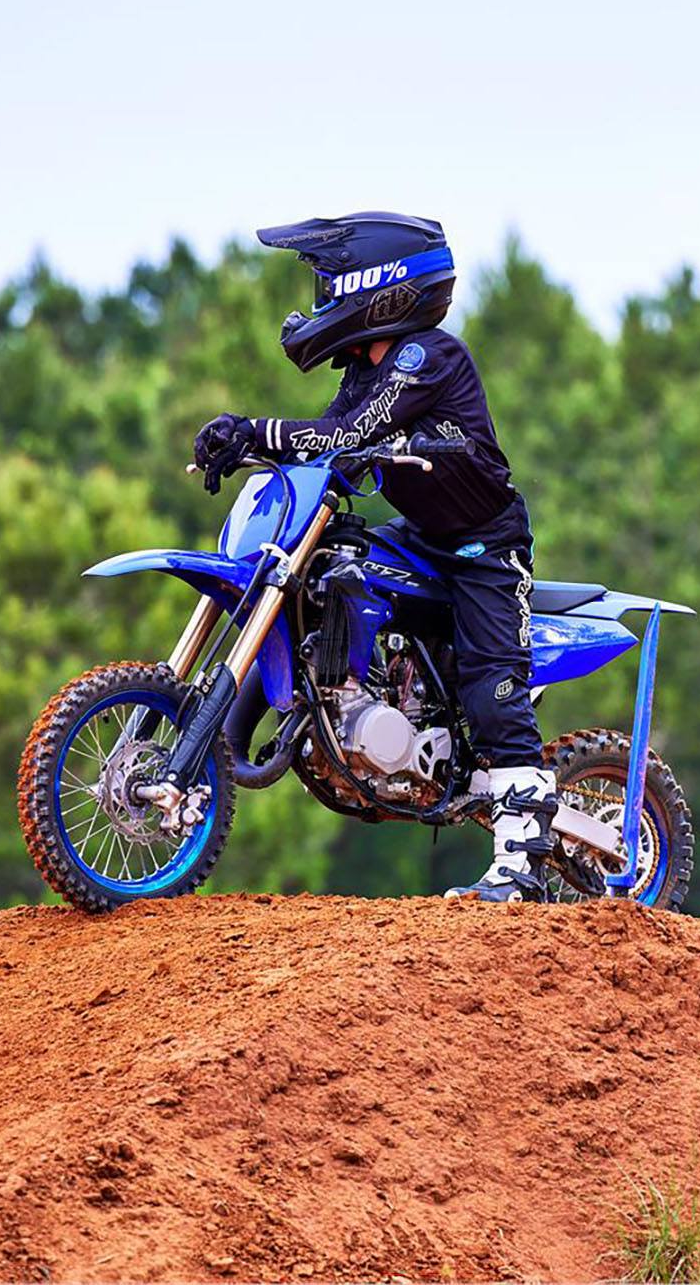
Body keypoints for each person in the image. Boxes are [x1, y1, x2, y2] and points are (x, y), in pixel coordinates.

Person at [190, 211, 557, 903]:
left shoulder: (425, 356)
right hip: (423, 537)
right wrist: (244, 447)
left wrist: (255, 429)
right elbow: (336, 445)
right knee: (324, 567)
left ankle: (521, 865)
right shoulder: (363, 368)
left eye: (330, 284)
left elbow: (349, 433)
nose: (320, 299)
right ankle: (244, 735)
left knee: (491, 685)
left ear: (378, 285)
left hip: (483, 550)